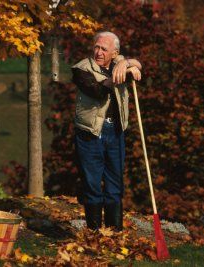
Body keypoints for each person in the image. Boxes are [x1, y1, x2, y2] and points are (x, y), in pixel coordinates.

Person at [72, 31, 142, 231]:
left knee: (115, 184)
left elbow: (139, 65)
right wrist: (118, 74)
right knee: (93, 184)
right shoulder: (81, 69)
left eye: (104, 48)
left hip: (115, 131)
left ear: (114, 52)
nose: (99, 52)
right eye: (96, 47)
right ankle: (94, 233)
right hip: (90, 134)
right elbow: (97, 91)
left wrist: (126, 63)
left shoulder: (118, 63)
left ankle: (115, 233)